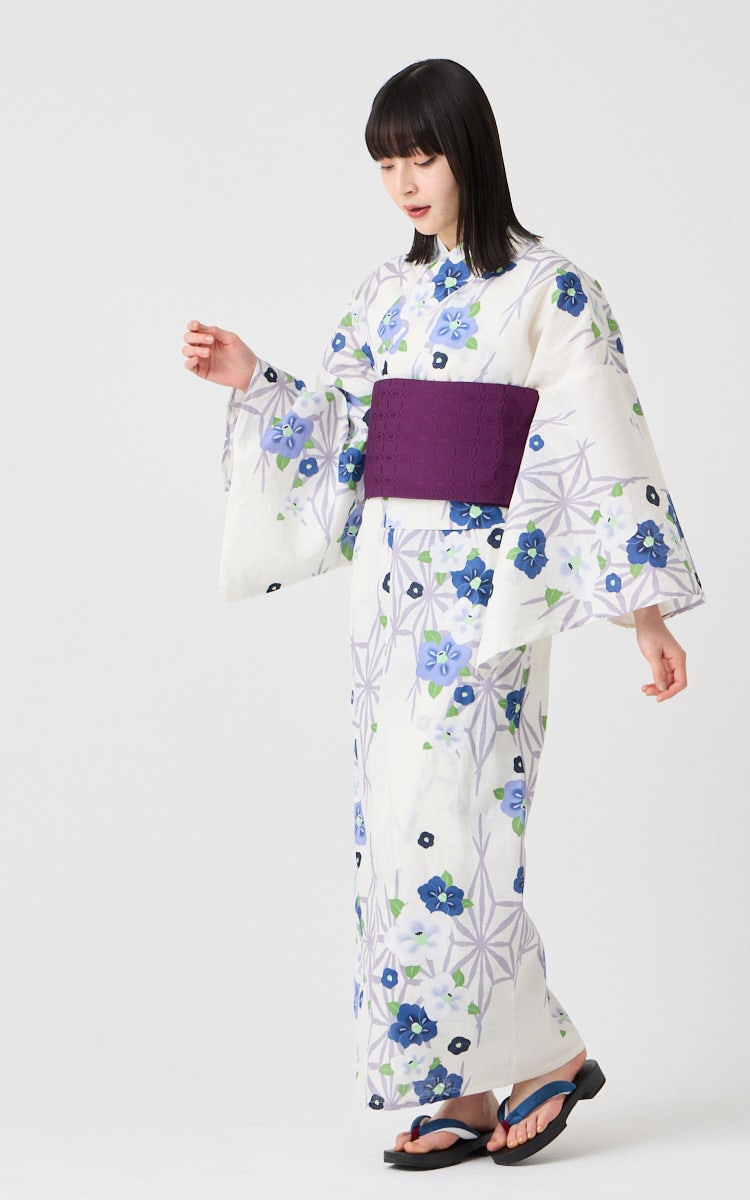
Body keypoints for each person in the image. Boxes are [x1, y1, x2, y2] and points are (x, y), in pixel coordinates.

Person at [182, 58, 706, 1169]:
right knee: (394, 835)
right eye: (387, 165)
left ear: (470, 151)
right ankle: (460, 1083)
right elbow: (342, 427)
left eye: (422, 158)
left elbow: (601, 442)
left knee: (464, 828)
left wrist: (645, 614)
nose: (406, 184)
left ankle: (549, 1055)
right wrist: (253, 379)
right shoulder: (385, 294)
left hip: (490, 594)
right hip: (388, 601)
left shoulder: (551, 289)